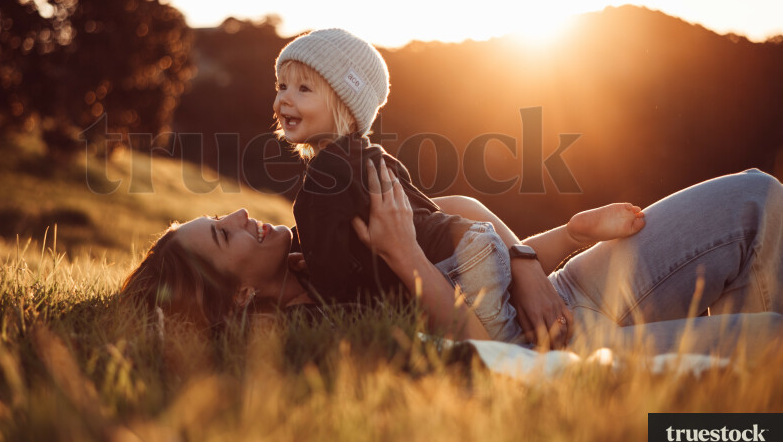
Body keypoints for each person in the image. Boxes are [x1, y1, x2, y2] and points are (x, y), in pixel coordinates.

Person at [120, 163, 783, 357]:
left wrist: (534, 255)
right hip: (563, 353)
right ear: (235, 297)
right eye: (224, 235)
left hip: (558, 287)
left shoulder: (317, 249)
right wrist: (404, 253)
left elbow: (458, 210)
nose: (239, 216)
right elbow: (485, 348)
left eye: (223, 216)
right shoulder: (314, 338)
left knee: (755, 197)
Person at [271, 28, 645, 344]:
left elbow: (334, 295)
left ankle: (568, 339)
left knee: (513, 348)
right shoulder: (375, 157)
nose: (284, 98)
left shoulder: (321, 179)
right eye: (282, 85)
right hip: (478, 245)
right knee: (507, 314)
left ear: (344, 105)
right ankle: (573, 233)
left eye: (304, 89)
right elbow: (426, 215)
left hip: (454, 272)